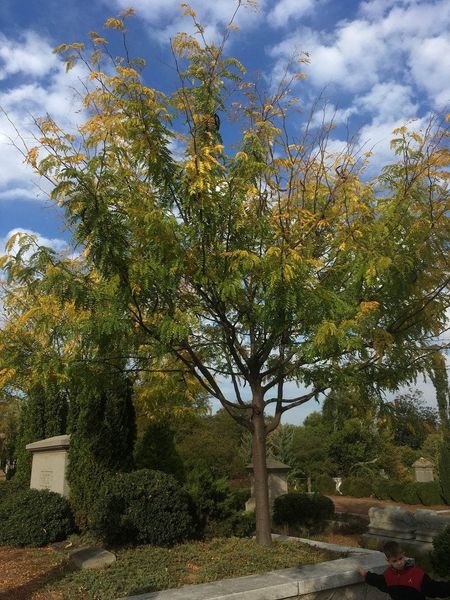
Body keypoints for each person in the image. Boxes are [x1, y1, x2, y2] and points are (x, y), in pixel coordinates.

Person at [357, 540, 450, 600]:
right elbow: (377, 580)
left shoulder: (416, 574)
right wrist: (366, 574)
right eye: (394, 561)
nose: (399, 562)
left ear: (404, 555)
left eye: (400, 558)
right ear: (388, 561)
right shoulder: (388, 576)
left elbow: (435, 588)